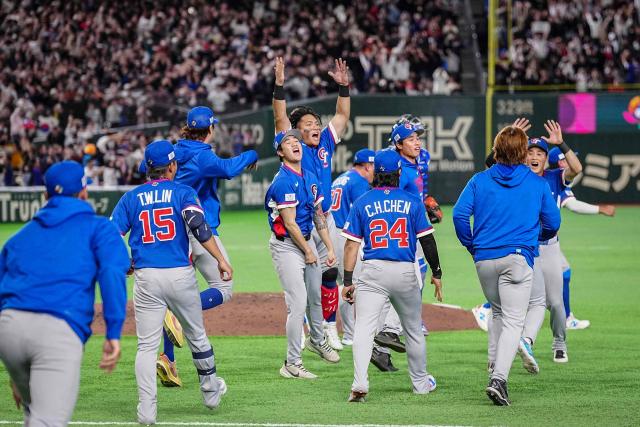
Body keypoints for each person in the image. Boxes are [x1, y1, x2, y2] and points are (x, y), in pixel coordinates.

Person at [111, 140, 232, 424]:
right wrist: (221, 261)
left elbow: (111, 236)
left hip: (146, 278)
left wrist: (124, 262)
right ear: (173, 166)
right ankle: (210, 392)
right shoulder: (183, 192)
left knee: (145, 346)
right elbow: (200, 229)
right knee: (197, 336)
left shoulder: (131, 197)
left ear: (148, 169)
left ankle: (147, 411)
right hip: (179, 274)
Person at [0, 161, 129, 426]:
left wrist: (15, 369)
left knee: (33, 413)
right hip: (57, 329)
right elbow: (112, 275)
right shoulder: (100, 228)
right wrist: (113, 331)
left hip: (8, 331)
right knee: (47, 422)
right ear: (84, 193)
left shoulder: (19, 237)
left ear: (45, 195)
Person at [148, 106, 258, 384]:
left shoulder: (174, 151)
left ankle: (169, 361)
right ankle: (177, 313)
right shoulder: (202, 155)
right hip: (199, 230)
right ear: (210, 128)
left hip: (173, 233)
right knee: (223, 288)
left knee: (177, 290)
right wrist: (252, 154)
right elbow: (229, 169)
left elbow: (143, 166)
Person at [452, 125, 560, 406]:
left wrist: (472, 245)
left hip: (485, 259)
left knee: (498, 313)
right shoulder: (537, 184)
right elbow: (554, 223)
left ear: (496, 150)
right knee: (513, 320)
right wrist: (536, 238)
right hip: (517, 257)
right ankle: (498, 379)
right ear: (524, 153)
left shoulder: (479, 180)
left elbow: (460, 216)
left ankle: (493, 364)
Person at [341, 149, 443, 403]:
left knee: (364, 329)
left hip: (373, 272)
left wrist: (347, 280)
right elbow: (427, 240)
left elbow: (351, 246)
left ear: (375, 173)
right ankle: (420, 383)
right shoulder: (412, 201)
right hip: (405, 272)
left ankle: (360, 383)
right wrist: (437, 272)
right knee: (413, 331)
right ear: (399, 173)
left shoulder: (363, 201)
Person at [273, 57, 350, 351]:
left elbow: (342, 115)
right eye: (308, 124)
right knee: (304, 282)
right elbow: (280, 119)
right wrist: (279, 86)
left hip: (325, 218)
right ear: (296, 132)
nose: (315, 127)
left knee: (330, 273)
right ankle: (306, 325)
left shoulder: (326, 143)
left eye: (316, 123)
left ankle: (328, 327)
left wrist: (343, 88)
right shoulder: (294, 147)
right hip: (301, 221)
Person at [265, 130, 339, 379]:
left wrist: (328, 247)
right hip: (287, 246)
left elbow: (318, 215)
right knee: (297, 303)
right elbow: (290, 223)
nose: (295, 143)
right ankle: (291, 363)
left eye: (297, 140)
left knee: (316, 297)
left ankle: (317, 340)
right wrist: (308, 251)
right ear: (280, 152)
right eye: (288, 141)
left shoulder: (309, 176)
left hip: (307, 242)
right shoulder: (283, 181)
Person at [517, 121, 583, 367]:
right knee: (524, 301)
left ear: (546, 158)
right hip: (525, 249)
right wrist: (512, 136)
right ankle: (523, 342)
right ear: (523, 157)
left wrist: (561, 144)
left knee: (555, 302)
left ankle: (559, 342)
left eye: (540, 153)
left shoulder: (555, 178)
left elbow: (576, 168)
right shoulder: (518, 176)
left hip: (549, 248)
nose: (534, 156)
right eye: (530, 152)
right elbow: (492, 164)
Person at [548, 146, 615, 329]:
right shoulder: (552, 179)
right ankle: (488, 307)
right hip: (535, 240)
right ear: (561, 162)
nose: (573, 161)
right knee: (524, 277)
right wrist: (600, 209)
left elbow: (571, 203)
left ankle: (567, 317)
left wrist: (598, 210)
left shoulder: (558, 183)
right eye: (568, 159)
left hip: (548, 242)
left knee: (563, 272)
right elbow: (574, 206)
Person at [329, 148, 376, 347]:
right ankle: (349, 334)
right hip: (345, 236)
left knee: (341, 282)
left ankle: (338, 329)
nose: (376, 171)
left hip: (333, 233)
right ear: (367, 166)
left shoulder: (342, 178)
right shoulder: (359, 183)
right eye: (374, 167)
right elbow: (363, 213)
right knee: (351, 284)